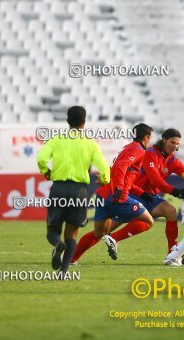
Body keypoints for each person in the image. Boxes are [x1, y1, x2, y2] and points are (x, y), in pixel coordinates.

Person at [103, 128, 184, 262]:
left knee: (170, 211)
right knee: (103, 229)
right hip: (135, 193)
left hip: (151, 197)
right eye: (172, 142)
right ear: (164, 140)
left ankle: (173, 253)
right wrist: (174, 191)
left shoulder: (172, 161)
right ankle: (76, 253)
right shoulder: (150, 153)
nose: (175, 146)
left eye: (177, 144)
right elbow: (155, 179)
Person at [36, 106, 110, 275]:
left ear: (67, 121)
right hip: (79, 192)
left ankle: (56, 244)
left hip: (58, 189)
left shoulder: (56, 139)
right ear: (84, 122)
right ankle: (63, 271)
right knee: (72, 236)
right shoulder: (90, 143)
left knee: (53, 232)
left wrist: (45, 171)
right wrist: (104, 179)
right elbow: (105, 168)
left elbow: (41, 158)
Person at [70, 123, 155, 263]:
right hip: (117, 197)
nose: (149, 141)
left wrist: (141, 193)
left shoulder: (128, 147)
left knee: (98, 233)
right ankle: (114, 239)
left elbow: (122, 174)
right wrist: (119, 189)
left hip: (103, 195)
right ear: (146, 137)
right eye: (150, 138)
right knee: (148, 221)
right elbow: (122, 167)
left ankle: (71, 259)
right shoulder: (138, 150)